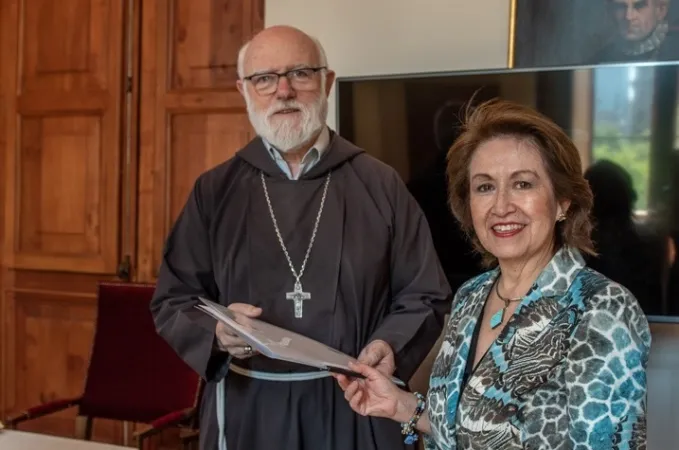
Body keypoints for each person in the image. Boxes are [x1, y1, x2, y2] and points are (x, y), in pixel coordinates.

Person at [150, 25, 452, 450]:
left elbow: (424, 293)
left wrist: (389, 344)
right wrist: (218, 334)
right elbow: (173, 298)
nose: (284, 91)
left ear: (327, 82)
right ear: (245, 90)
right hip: (249, 411)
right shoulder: (214, 191)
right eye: (265, 78)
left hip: (355, 406)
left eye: (301, 74)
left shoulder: (379, 184)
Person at [335, 99, 651, 449]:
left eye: (523, 184)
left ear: (563, 201)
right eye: (485, 187)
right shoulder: (471, 297)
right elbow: (465, 428)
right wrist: (400, 405)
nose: (501, 206)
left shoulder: (603, 309)